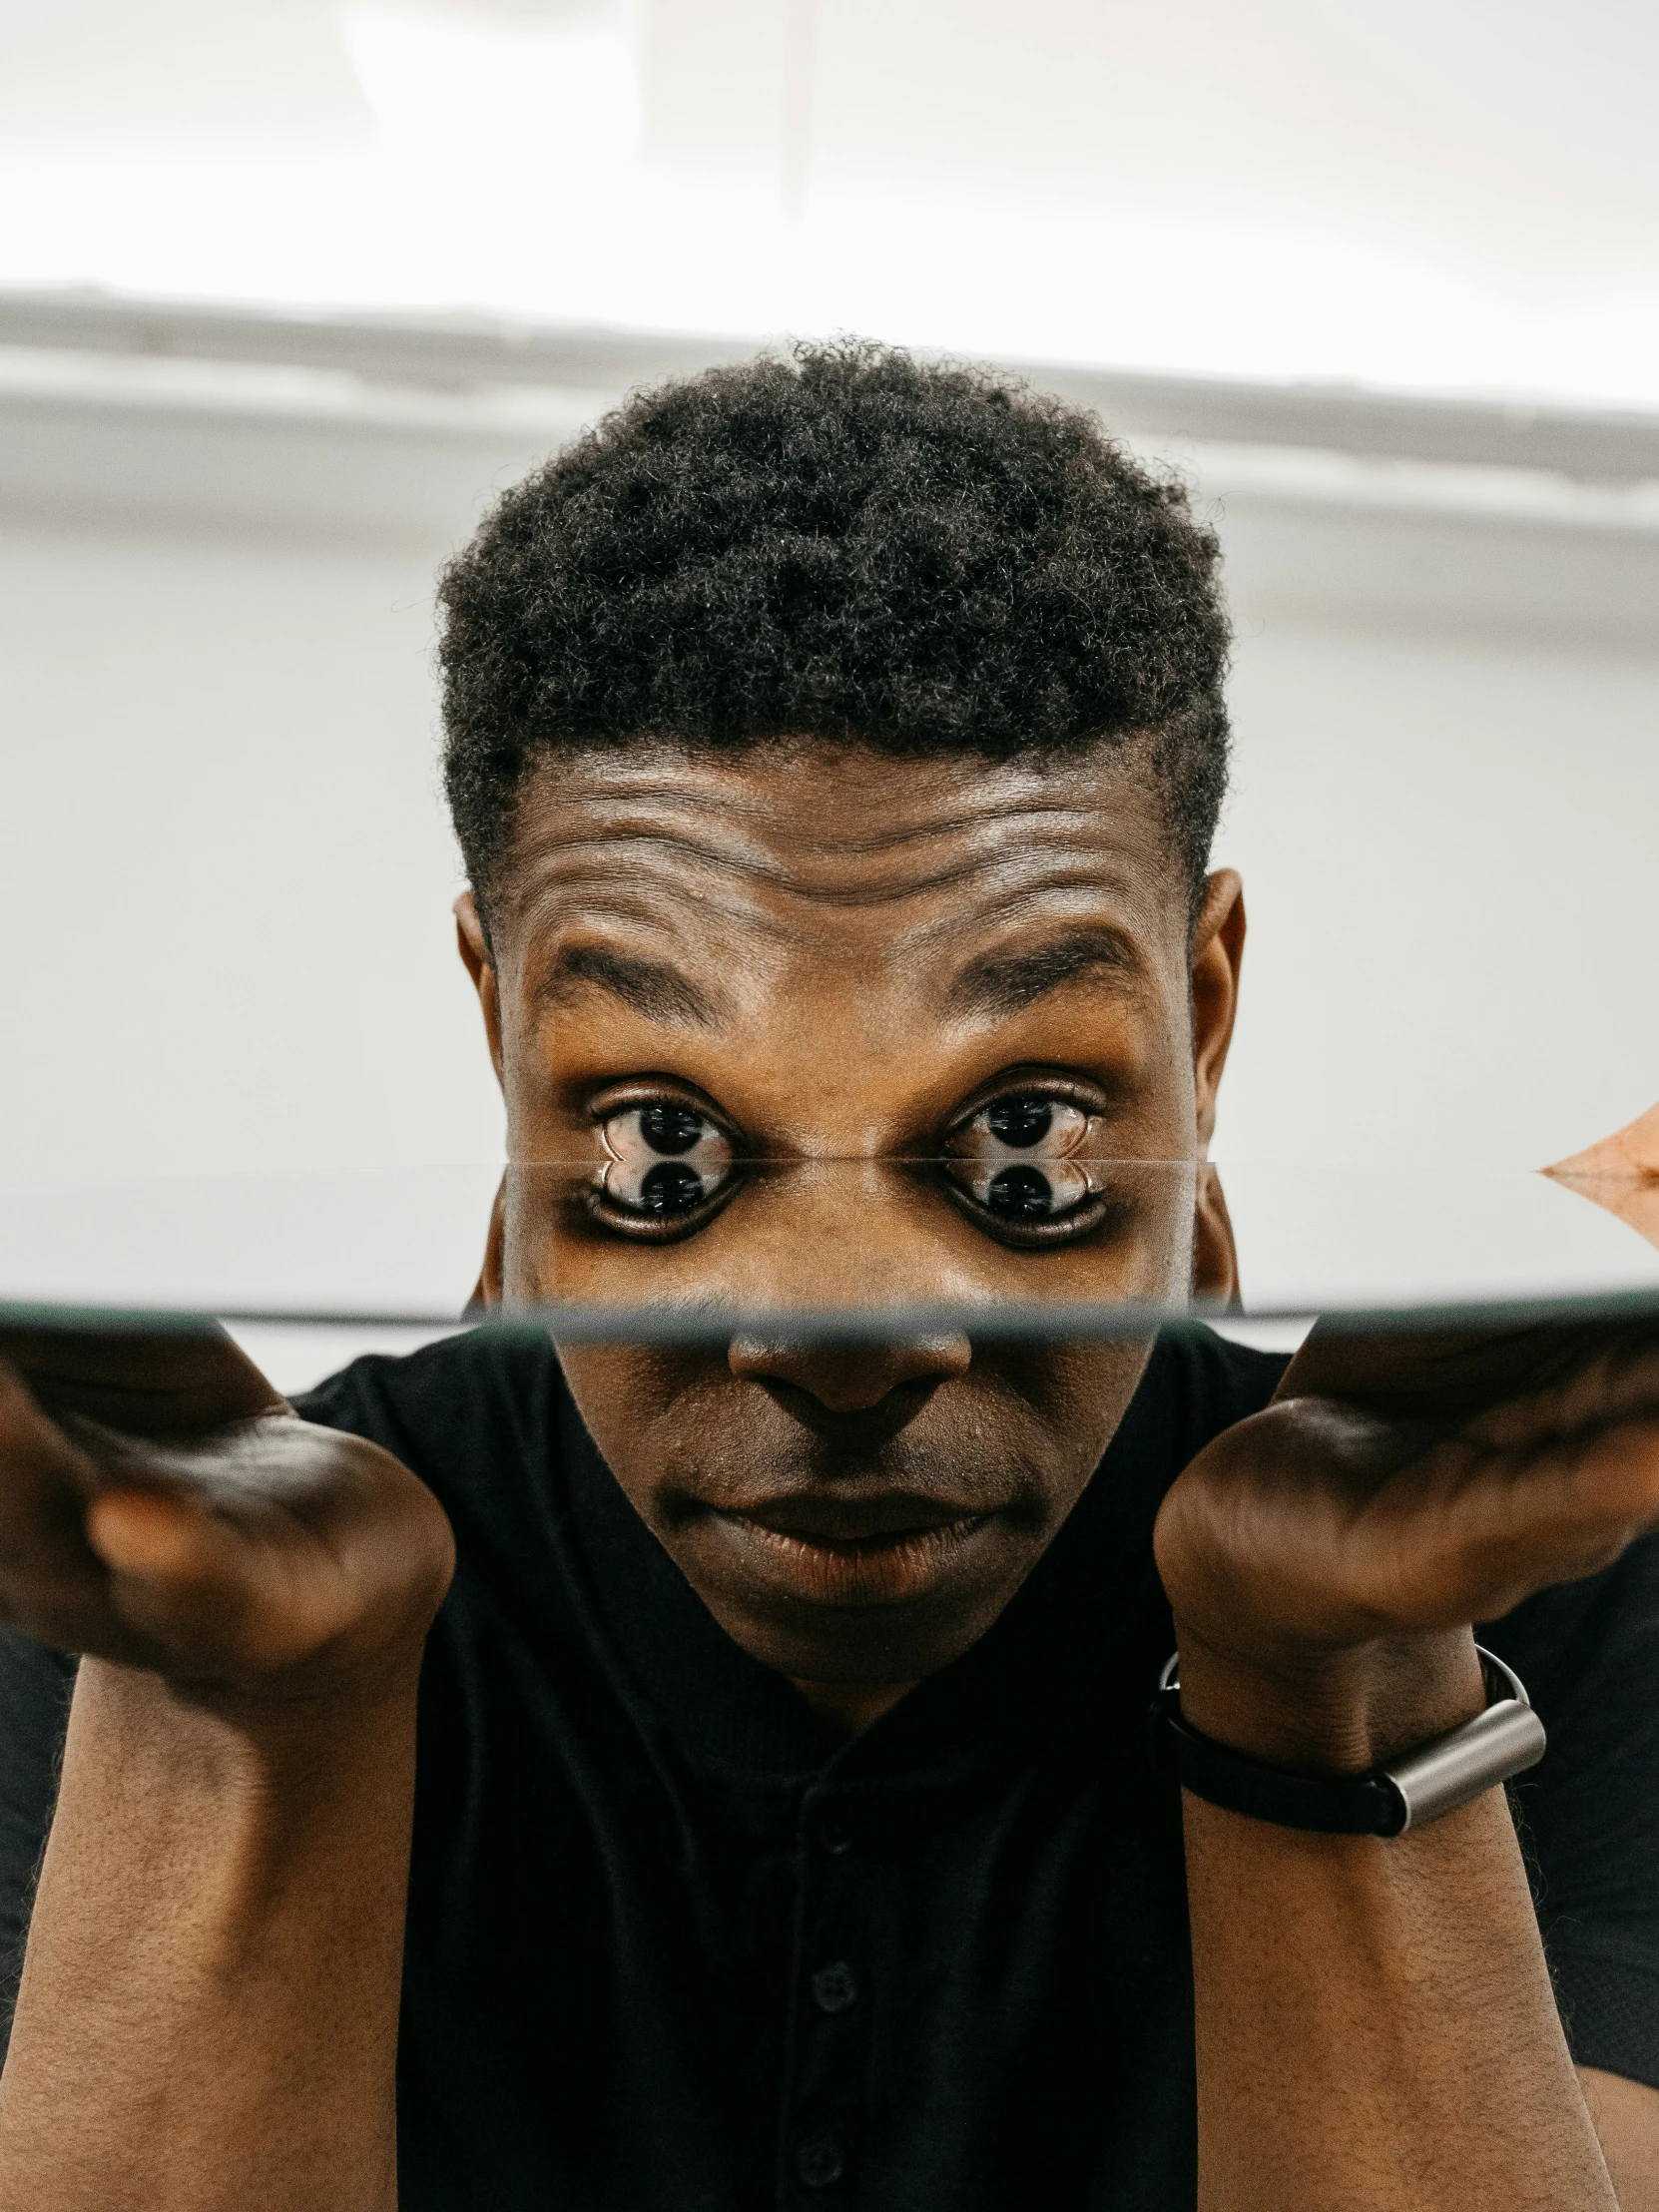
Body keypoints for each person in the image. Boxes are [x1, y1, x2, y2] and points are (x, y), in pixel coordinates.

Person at [0, 343, 1655, 2212]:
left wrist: (1331, 1673)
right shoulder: (145, 1566)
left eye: (1024, 1138)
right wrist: (249, 1724)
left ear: (1199, 1009)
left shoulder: (1538, 1587)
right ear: (498, 1018)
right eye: (659, 1148)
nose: (843, 1336)